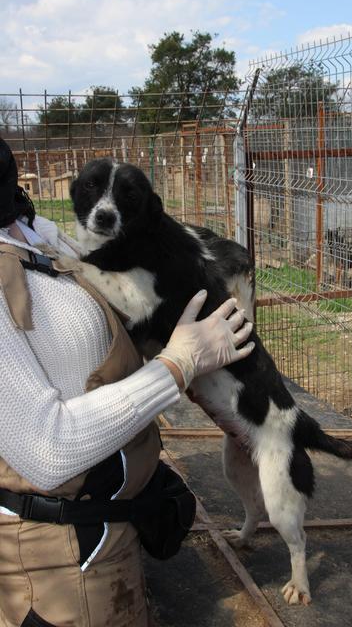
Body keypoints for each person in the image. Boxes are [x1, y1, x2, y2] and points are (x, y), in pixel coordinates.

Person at [0, 137, 254, 627]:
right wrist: (179, 363)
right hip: (57, 560)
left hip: (110, 527)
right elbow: (46, 451)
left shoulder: (33, 230)